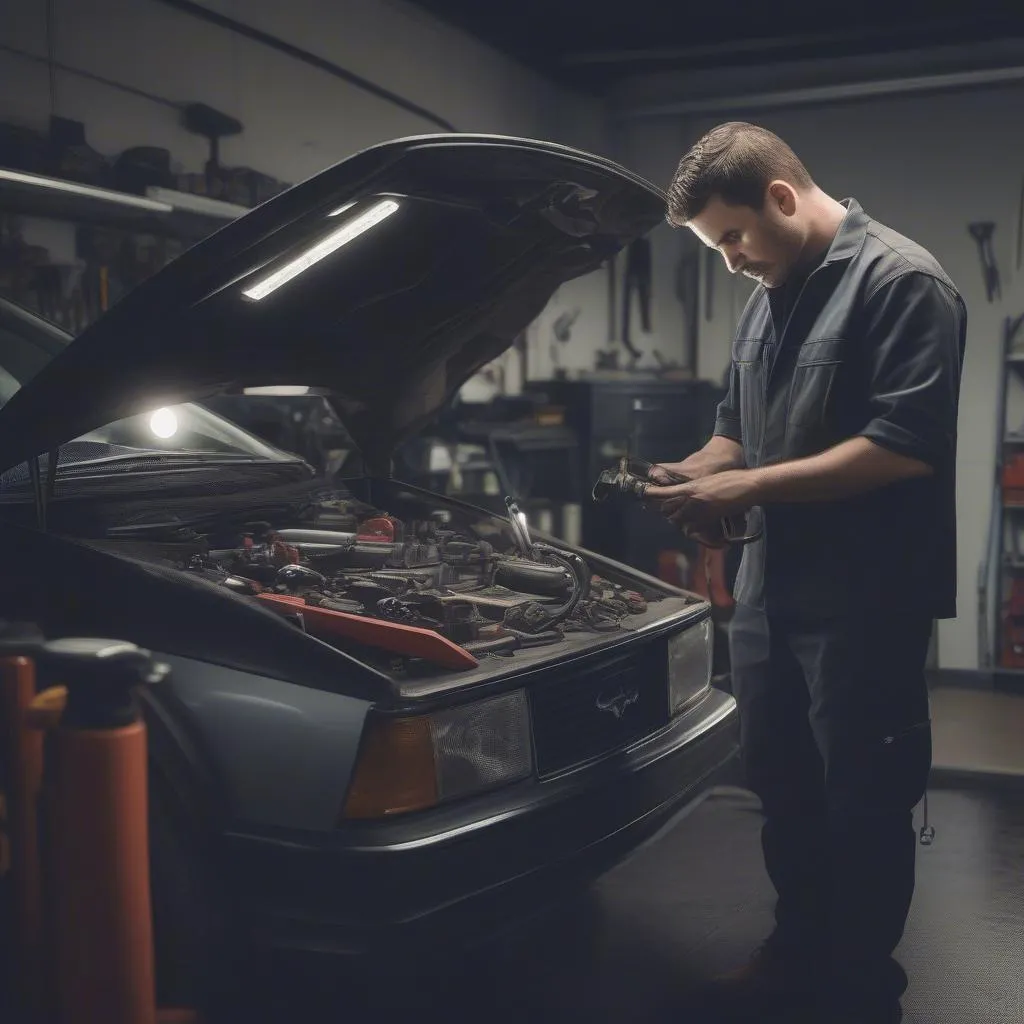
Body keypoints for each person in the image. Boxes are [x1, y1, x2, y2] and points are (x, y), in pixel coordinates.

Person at [644, 122, 966, 1024]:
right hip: (768, 593)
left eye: (732, 238)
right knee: (782, 791)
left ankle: (862, 989)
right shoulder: (764, 299)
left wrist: (745, 484)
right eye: (717, 248)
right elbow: (734, 429)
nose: (731, 262)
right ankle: (796, 956)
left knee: (863, 803)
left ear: (780, 197)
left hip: (864, 605)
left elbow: (902, 450)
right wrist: (693, 472)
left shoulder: (904, 284)